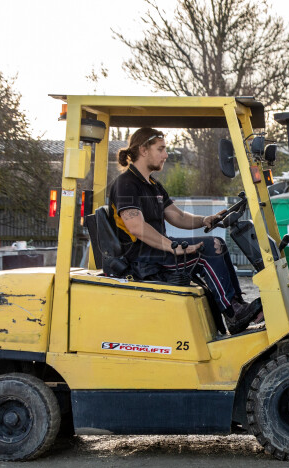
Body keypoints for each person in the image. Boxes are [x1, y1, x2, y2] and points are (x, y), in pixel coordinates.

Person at [108, 127, 261, 333]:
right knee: (210, 248)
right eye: (161, 149)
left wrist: (204, 220)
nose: (166, 155)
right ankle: (232, 313)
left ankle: (236, 304)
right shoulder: (126, 183)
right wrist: (172, 247)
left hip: (157, 251)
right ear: (143, 150)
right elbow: (136, 227)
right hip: (142, 259)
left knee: (219, 243)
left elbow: (177, 216)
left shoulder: (153, 185)